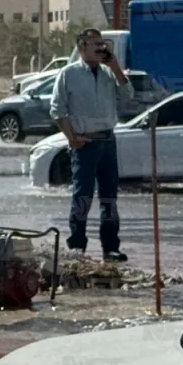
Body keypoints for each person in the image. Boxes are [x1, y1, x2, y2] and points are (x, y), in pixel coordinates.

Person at [49, 28, 133, 262]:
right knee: (82, 196)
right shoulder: (69, 74)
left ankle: (110, 247)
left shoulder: (108, 74)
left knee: (109, 197)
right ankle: (77, 246)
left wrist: (116, 68)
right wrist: (72, 138)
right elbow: (57, 109)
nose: (99, 48)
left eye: (101, 43)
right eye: (93, 44)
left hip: (107, 139)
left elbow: (129, 96)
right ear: (81, 48)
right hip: (84, 142)